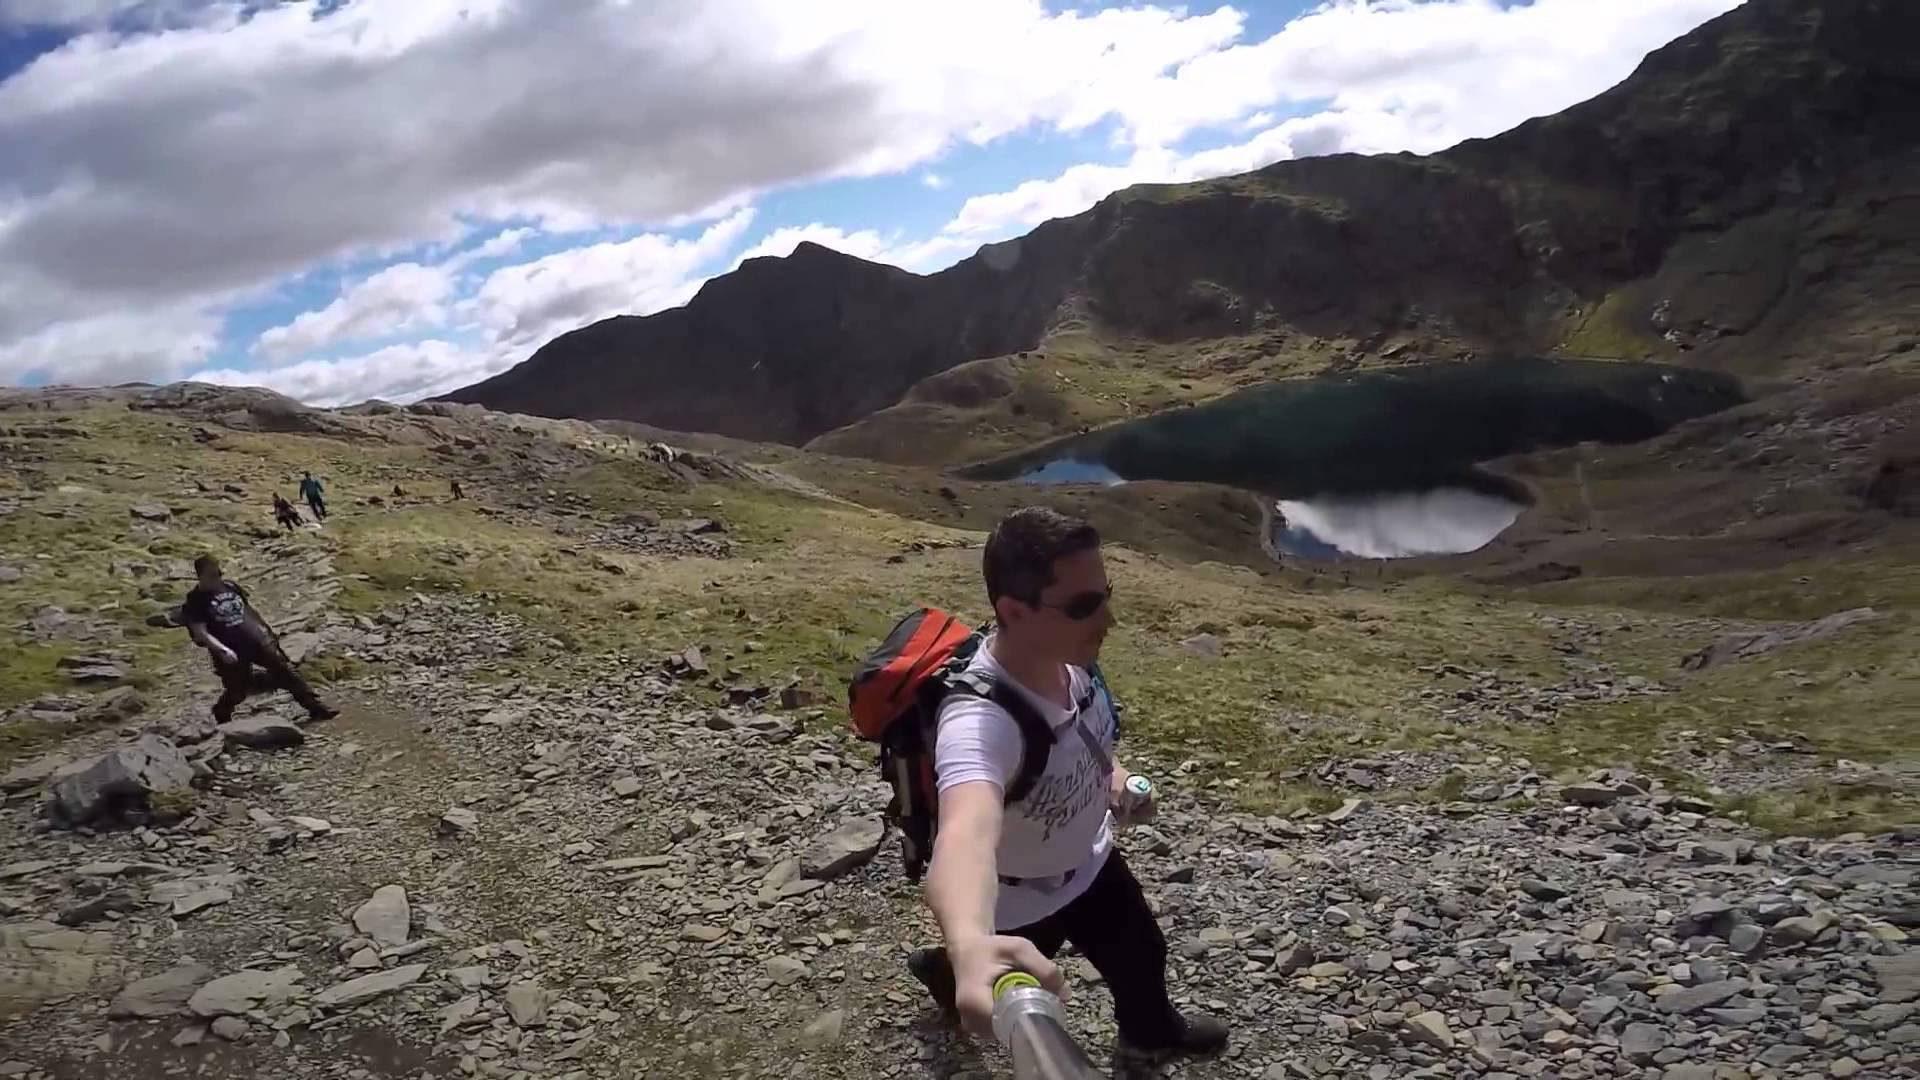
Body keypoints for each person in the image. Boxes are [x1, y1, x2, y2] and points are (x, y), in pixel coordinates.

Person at [909, 507, 1229, 1064]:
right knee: (1002, 963)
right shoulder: (979, 721)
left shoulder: (1071, 663)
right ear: (1014, 610)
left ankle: (1150, 1034)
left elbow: (1084, 743)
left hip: (1090, 863)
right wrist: (968, 942)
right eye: (1084, 606)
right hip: (1018, 898)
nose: (1107, 619)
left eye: (1105, 594)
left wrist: (1119, 779)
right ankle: (949, 970)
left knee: (1141, 953)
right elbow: (964, 833)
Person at [182, 555, 337, 724]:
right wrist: (222, 649)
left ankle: (316, 708)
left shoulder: (230, 587)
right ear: (201, 575)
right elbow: (200, 632)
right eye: (213, 574)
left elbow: (249, 613)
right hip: (230, 650)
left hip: (257, 641)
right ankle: (222, 712)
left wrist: (268, 634)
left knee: (286, 671)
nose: (218, 577)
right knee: (238, 689)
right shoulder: (195, 601)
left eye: (219, 572)